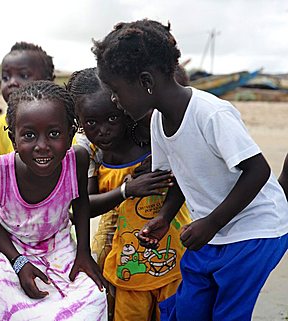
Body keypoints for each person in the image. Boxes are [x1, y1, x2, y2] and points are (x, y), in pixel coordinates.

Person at [93, 19, 288, 321]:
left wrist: (211, 222)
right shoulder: (158, 121)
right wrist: (164, 216)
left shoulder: (211, 114)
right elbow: (179, 178)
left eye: (116, 90)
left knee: (228, 313)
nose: (115, 101)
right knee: (189, 308)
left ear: (146, 80)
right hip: (213, 231)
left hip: (255, 230)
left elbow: (258, 171)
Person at [67, 67, 191, 321]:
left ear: (125, 109)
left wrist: (162, 158)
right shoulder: (88, 151)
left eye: (112, 119)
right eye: (91, 123)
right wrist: (126, 190)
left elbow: (185, 177)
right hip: (122, 254)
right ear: (79, 123)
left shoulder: (152, 135)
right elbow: (82, 206)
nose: (103, 130)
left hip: (172, 247)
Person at [0, 80, 108, 320]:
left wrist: (83, 253)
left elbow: (81, 202)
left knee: (93, 298)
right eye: (29, 135)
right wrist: (17, 262)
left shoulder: (76, 159)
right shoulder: (0, 171)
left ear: (71, 133)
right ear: (13, 138)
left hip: (56, 242)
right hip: (9, 245)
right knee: (0, 299)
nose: (42, 146)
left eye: (54, 134)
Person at [0, 42, 56, 170]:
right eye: (5, 77)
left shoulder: (63, 124)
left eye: (23, 75)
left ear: (48, 81)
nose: (12, 83)